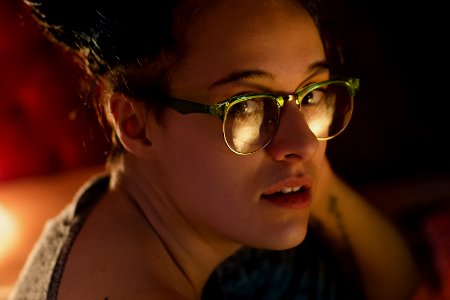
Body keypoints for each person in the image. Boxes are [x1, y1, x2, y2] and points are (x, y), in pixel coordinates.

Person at [9, 0, 419, 299]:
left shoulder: (201, 214)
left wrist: (320, 183)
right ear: (137, 126)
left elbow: (398, 281)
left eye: (311, 95)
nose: (304, 143)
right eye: (247, 107)